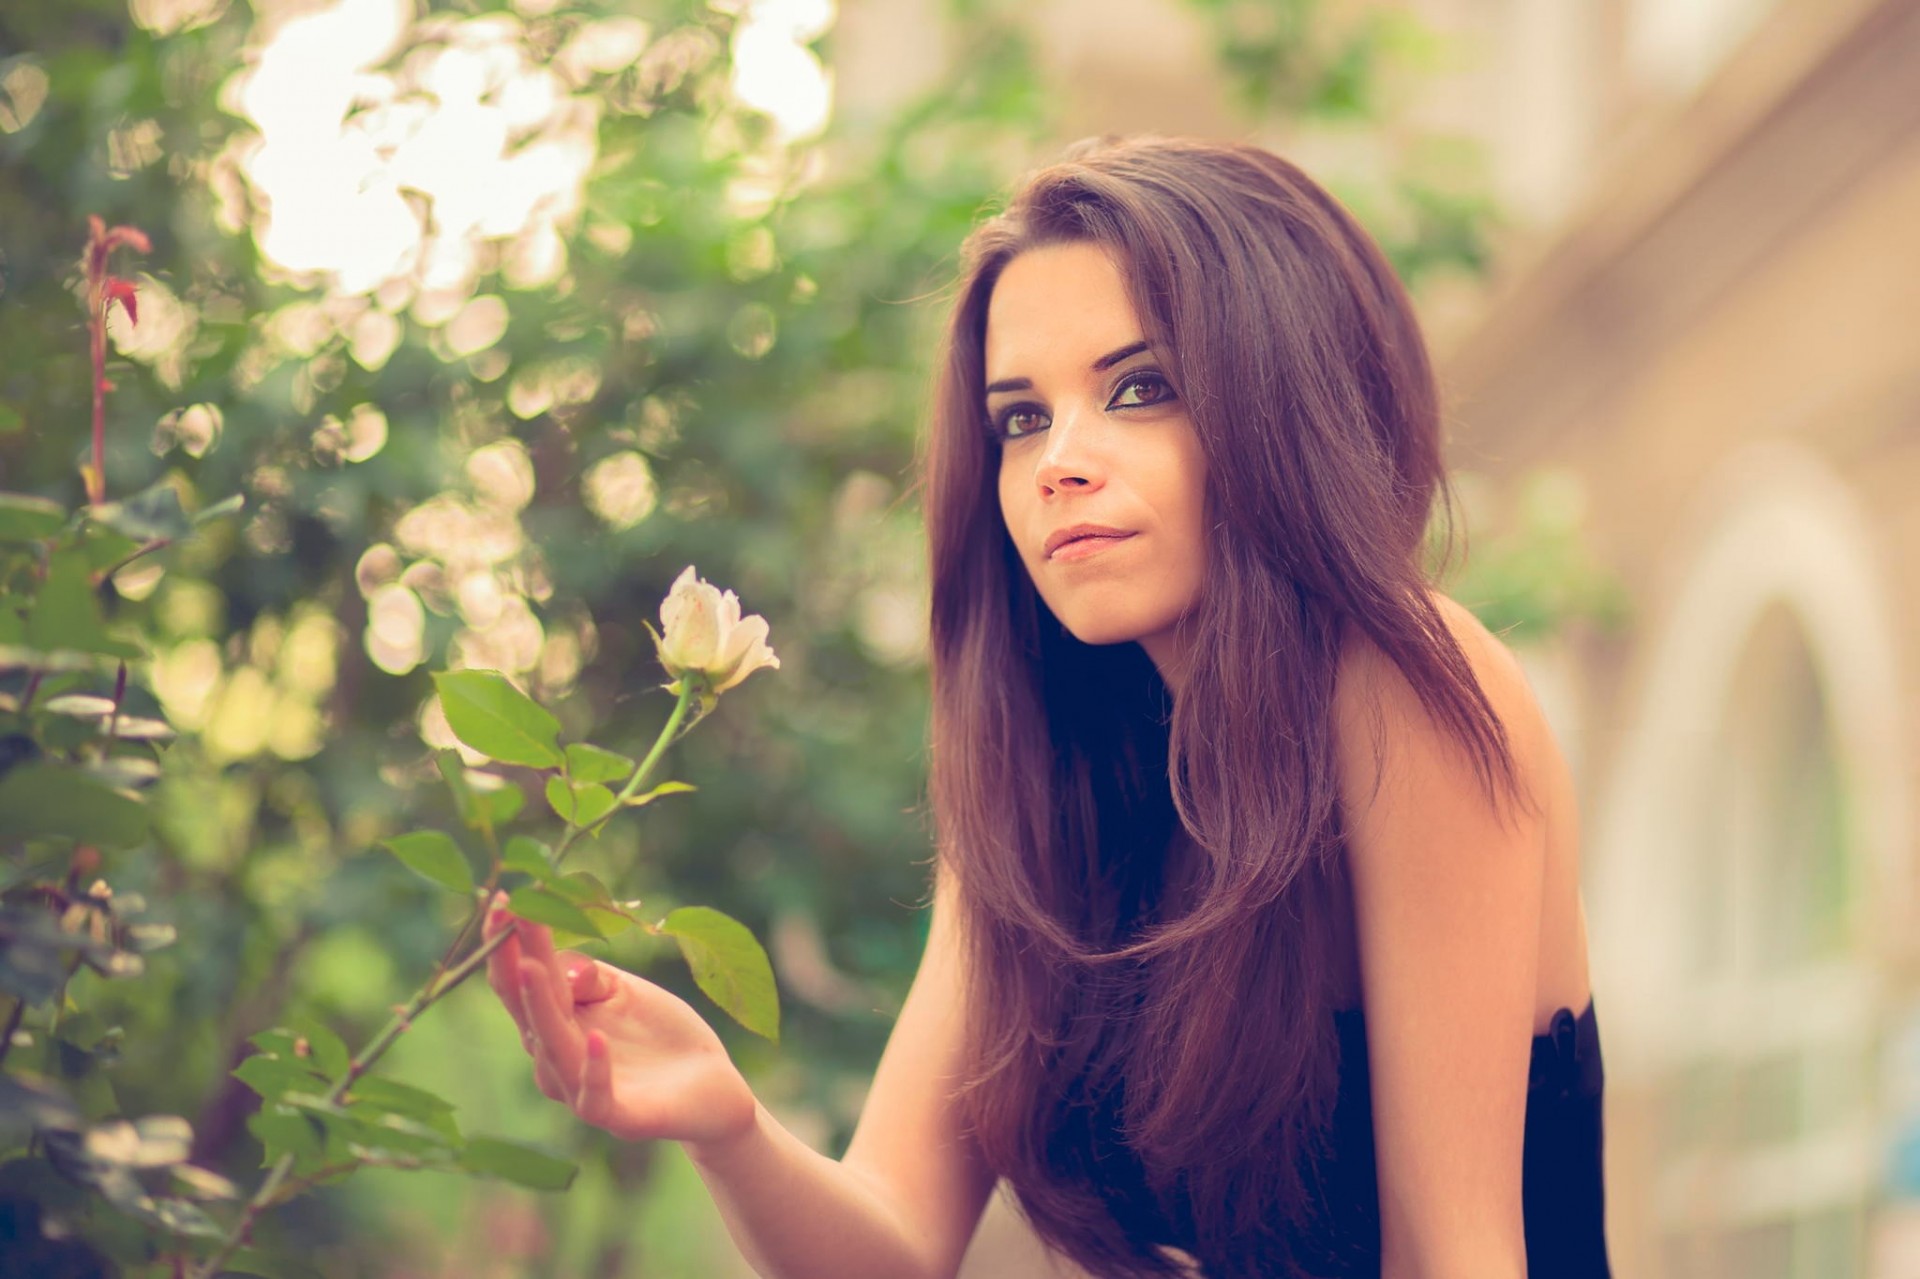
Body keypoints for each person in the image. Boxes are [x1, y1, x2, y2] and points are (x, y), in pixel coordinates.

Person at [482, 135, 1612, 1279]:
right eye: (1021, 417)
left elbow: (1458, 1256)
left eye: (1139, 389)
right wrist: (725, 1123)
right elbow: (895, 1239)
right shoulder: (1051, 774)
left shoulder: (1401, 685)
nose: (1057, 463)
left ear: (1284, 401)